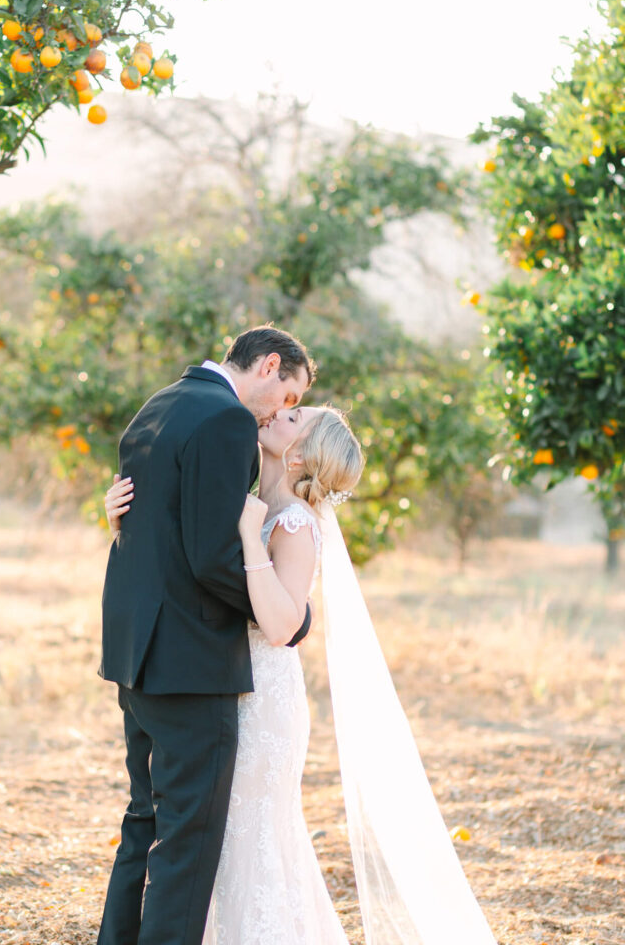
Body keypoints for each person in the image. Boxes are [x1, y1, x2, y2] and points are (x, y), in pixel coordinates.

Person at [105, 402, 499, 945]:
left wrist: (249, 538)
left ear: (300, 454)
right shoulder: (244, 494)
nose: (273, 415)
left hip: (263, 700)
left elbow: (282, 624)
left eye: (293, 419)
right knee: (214, 845)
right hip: (220, 684)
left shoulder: (292, 521)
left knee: (252, 842)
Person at [95, 326, 316, 945]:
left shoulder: (160, 403)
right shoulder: (226, 421)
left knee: (145, 819)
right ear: (269, 365)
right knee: (188, 840)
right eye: (287, 395)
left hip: (135, 652)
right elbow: (211, 557)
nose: (281, 411)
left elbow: (150, 524)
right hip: (191, 664)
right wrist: (284, 618)